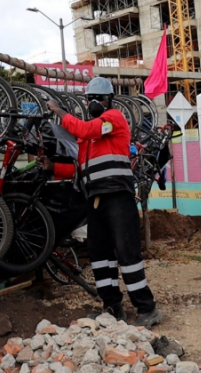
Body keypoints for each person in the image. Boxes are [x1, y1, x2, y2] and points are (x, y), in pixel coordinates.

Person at [46, 77, 162, 329]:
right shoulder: (86, 140)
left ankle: (147, 308)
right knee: (99, 254)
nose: (95, 102)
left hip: (118, 197)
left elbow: (86, 129)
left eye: (99, 98)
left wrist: (58, 111)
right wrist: (52, 166)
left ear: (110, 100)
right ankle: (112, 308)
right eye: (91, 99)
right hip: (96, 201)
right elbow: (79, 169)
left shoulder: (113, 120)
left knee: (127, 253)